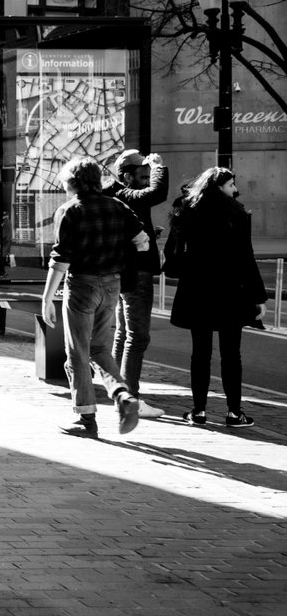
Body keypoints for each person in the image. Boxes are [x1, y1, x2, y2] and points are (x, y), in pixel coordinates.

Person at [40, 157, 149, 438]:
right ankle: (123, 394)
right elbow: (143, 241)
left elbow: (60, 260)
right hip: (112, 285)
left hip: (82, 286)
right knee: (100, 347)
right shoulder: (117, 206)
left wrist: (47, 298)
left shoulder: (69, 211)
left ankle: (86, 419)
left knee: (77, 352)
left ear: (73, 182)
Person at [167, 167, 266, 427]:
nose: (234, 189)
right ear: (221, 186)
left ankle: (198, 411)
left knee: (200, 353)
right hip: (231, 290)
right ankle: (234, 413)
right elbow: (247, 257)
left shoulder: (187, 209)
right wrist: (258, 296)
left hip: (197, 289)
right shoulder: (236, 212)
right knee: (231, 354)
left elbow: (174, 253)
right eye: (231, 184)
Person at [104, 149, 169, 418]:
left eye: (148, 175)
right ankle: (131, 398)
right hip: (137, 272)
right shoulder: (123, 194)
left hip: (127, 269)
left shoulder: (120, 195)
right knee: (137, 336)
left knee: (122, 333)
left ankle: (118, 393)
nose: (146, 180)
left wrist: (149, 234)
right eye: (142, 176)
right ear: (127, 176)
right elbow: (157, 194)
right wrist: (159, 168)